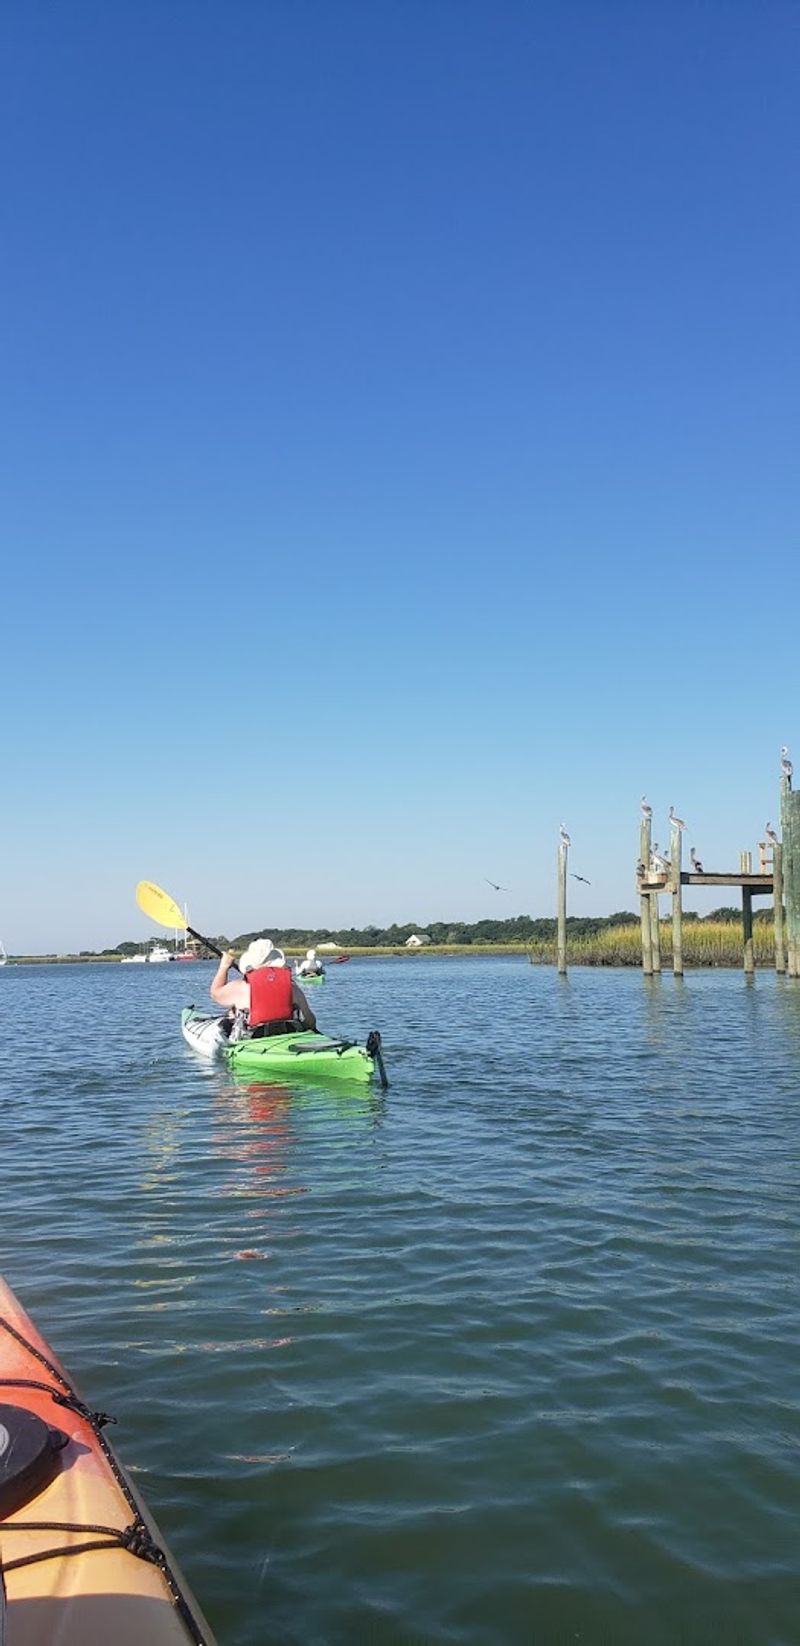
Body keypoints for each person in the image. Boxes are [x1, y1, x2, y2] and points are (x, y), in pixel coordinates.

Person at [210, 938, 317, 1035]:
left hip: (253, 1038)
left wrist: (224, 967)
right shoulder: (292, 987)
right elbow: (310, 1021)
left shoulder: (240, 988)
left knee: (231, 1016)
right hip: (287, 1033)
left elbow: (215, 994)